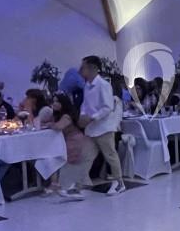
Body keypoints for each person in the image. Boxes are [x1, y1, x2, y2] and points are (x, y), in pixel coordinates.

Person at [78, 56, 125, 195]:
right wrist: (82, 115)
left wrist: (91, 118)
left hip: (104, 127)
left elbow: (108, 107)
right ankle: (78, 185)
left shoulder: (103, 85)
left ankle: (119, 183)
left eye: (84, 67)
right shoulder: (86, 85)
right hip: (91, 129)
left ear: (93, 68)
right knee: (86, 156)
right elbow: (85, 104)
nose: (81, 70)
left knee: (110, 155)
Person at [40, 92, 93, 200]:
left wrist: (49, 124)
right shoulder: (57, 114)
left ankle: (55, 184)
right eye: (53, 101)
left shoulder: (66, 116)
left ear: (63, 103)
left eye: (56, 101)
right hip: (66, 141)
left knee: (52, 156)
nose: (54, 104)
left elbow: (58, 127)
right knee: (50, 156)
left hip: (74, 142)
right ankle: (55, 183)